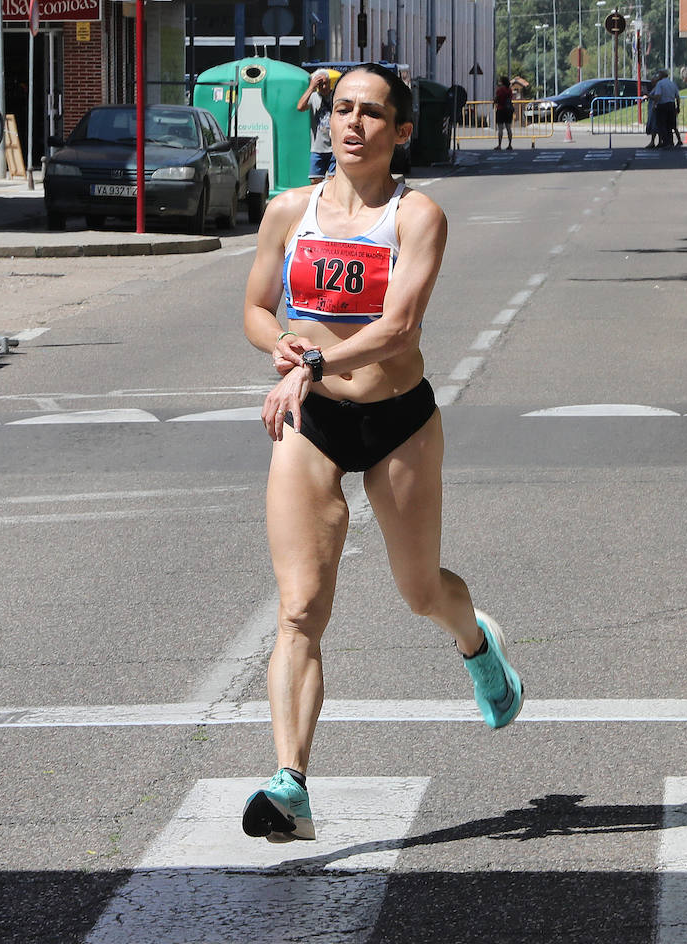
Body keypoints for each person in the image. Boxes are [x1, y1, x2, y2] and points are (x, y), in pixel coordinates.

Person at [239, 63, 524, 843]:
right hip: (313, 420)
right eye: (342, 110)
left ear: (401, 132)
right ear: (326, 121)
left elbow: (399, 329)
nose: (353, 125)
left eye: (372, 113)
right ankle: (290, 781)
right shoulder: (288, 211)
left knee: (419, 589)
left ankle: (477, 644)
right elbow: (257, 310)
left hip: (396, 418)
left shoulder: (416, 216)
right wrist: (287, 348)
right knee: (299, 606)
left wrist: (316, 364)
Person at [296, 69, 336, 183]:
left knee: (334, 180)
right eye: (320, 84)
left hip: (334, 146)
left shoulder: (336, 96)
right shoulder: (313, 97)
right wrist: (311, 87)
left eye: (325, 83)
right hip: (318, 147)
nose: (323, 86)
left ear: (329, 82)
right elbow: (300, 107)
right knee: (315, 180)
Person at [650, 69, 681, 148]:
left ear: (661, 75)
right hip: (671, 105)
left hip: (662, 105)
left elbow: (658, 96)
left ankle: (666, 142)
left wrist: (654, 104)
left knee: (662, 124)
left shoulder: (660, 84)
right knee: (670, 125)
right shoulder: (672, 84)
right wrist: (678, 106)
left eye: (659, 75)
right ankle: (671, 142)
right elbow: (677, 96)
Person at [493, 75, 514, 150]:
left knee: (500, 129)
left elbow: (497, 99)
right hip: (508, 110)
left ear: (502, 82)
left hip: (500, 109)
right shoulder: (509, 90)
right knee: (509, 128)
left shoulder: (500, 90)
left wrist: (494, 101)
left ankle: (499, 145)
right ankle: (510, 144)